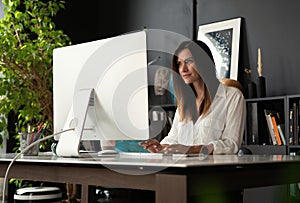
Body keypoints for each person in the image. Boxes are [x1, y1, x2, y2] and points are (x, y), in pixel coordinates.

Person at [140, 40, 246, 155]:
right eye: (179, 63)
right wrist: (161, 147)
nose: (183, 69)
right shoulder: (184, 102)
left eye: (189, 61)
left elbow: (231, 144)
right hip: (182, 169)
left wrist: (194, 149)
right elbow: (173, 139)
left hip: (214, 170)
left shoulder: (233, 97)